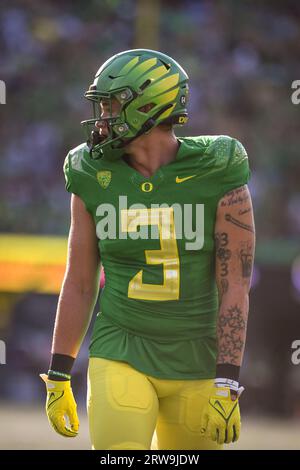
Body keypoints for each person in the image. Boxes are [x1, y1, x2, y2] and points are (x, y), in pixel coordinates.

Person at [41, 49, 255, 450]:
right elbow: (81, 282)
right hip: (121, 349)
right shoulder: (90, 171)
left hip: (198, 359)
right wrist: (58, 373)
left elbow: (235, 286)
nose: (101, 117)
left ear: (150, 106)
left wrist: (227, 380)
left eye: (111, 104)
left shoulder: (218, 167)